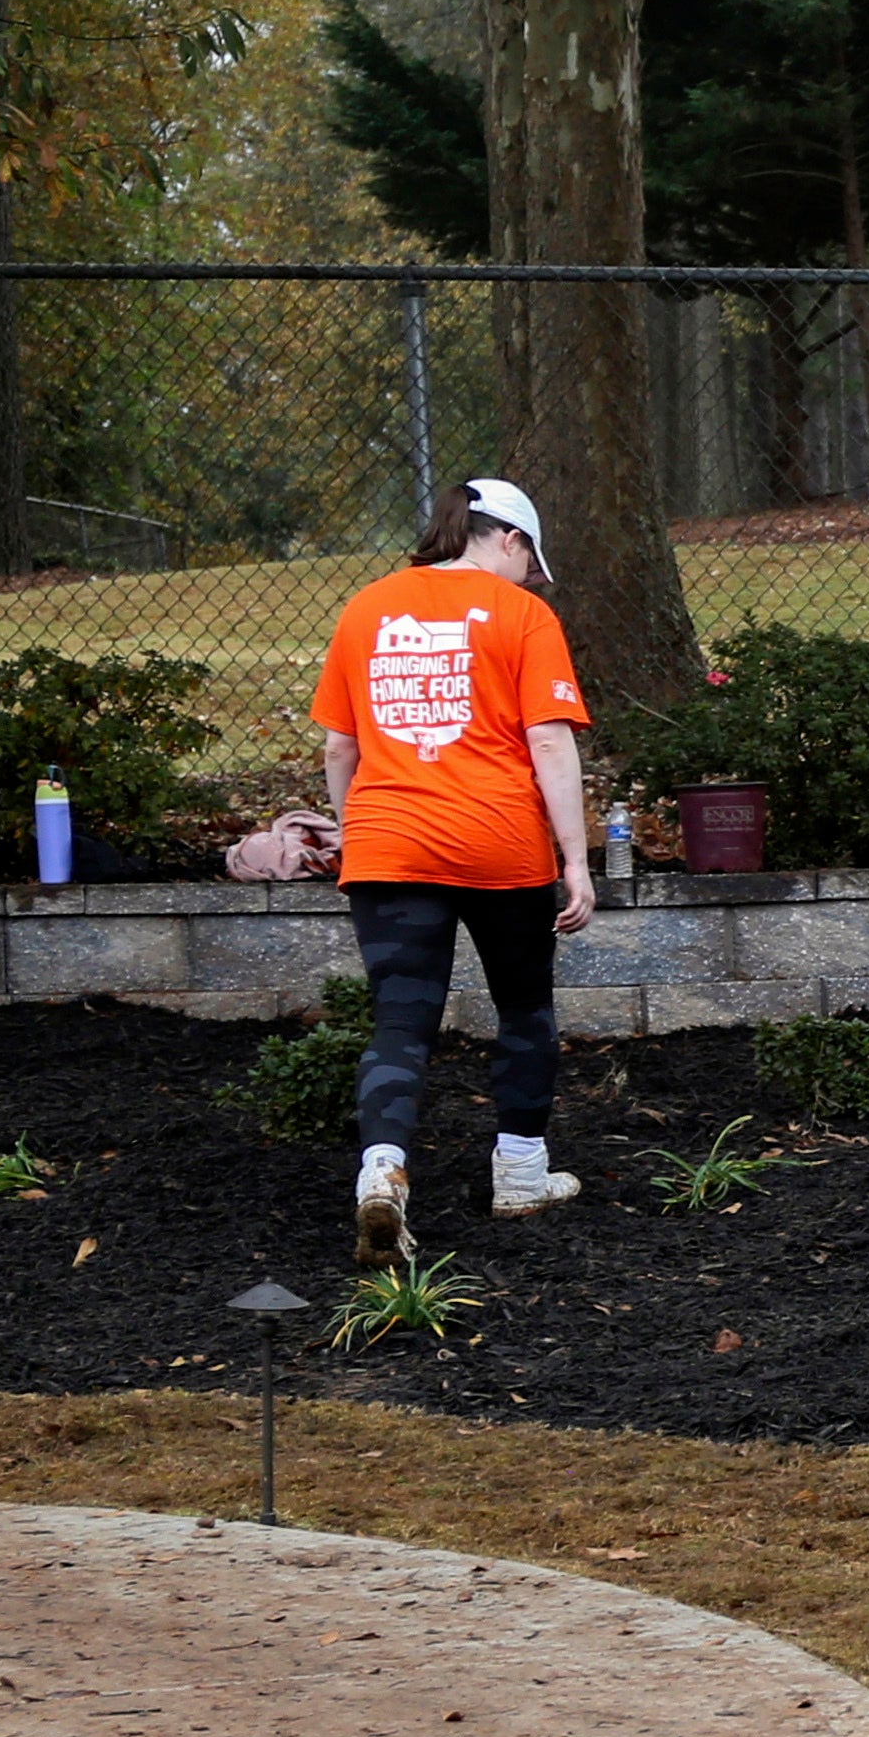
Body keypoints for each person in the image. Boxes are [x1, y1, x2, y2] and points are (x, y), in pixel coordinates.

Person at [310, 477, 597, 1267]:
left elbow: (340, 747)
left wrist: (354, 832)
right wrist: (576, 860)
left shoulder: (367, 607)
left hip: (388, 849)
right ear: (508, 538)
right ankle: (521, 1175)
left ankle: (382, 1173)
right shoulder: (524, 617)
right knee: (523, 1009)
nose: (532, 579)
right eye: (531, 562)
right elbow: (548, 743)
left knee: (400, 1025)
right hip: (498, 848)